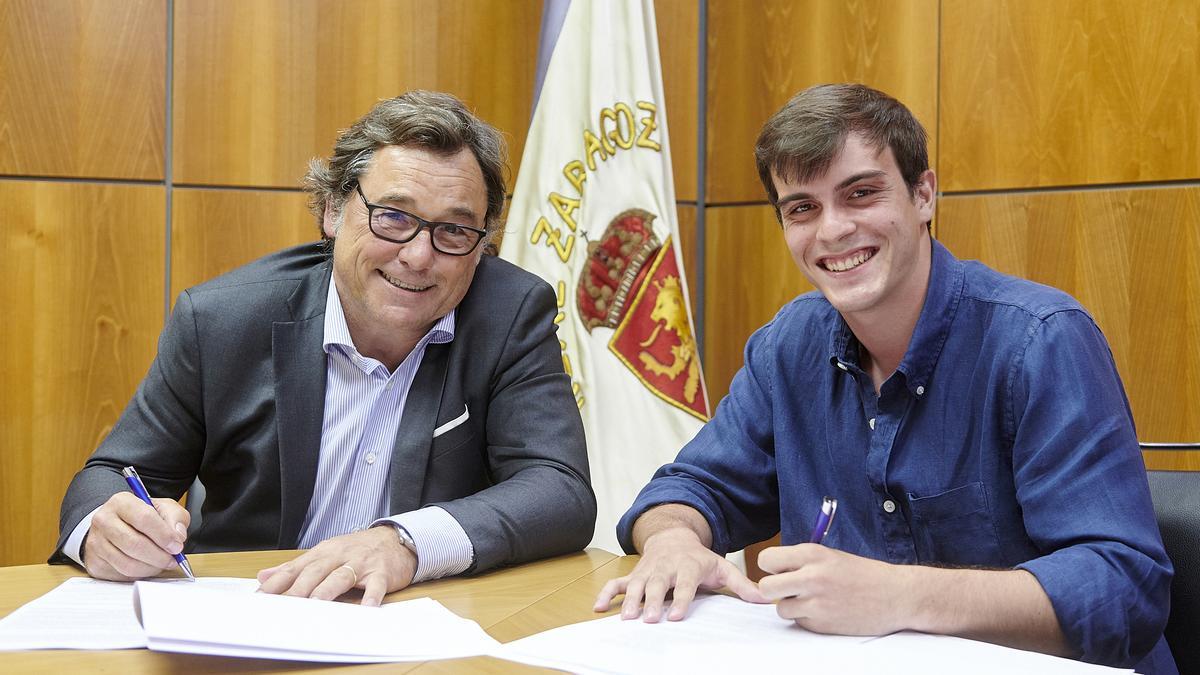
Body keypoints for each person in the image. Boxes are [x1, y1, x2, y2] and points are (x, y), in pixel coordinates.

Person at [594, 84, 1175, 673]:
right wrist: (673, 543)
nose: (833, 230)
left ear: (923, 195)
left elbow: (1124, 590)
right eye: (802, 208)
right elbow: (689, 489)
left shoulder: (1041, 341)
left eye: (861, 194)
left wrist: (898, 595)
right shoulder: (787, 347)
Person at [52, 90, 596, 606]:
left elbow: (559, 489)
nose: (419, 256)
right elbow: (115, 474)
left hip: (419, 620)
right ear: (334, 210)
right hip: (247, 611)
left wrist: (404, 542)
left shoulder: (511, 314)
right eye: (395, 217)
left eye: (454, 230)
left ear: (481, 246)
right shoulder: (222, 320)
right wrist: (104, 528)